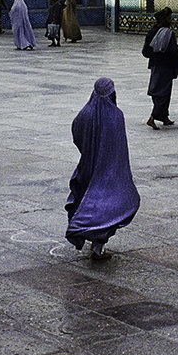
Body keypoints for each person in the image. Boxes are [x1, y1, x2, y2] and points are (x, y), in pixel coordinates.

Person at [65, 77, 140, 260]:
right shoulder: (116, 115)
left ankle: (87, 234)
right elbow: (119, 146)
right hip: (109, 169)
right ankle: (97, 245)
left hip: (87, 166)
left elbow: (76, 133)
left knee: (87, 200)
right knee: (107, 205)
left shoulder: (85, 113)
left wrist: (87, 150)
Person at [141, 8, 178, 129]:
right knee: (164, 92)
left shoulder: (152, 32)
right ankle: (153, 117)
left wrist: (155, 55)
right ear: (164, 19)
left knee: (156, 90)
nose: (171, 21)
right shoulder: (168, 33)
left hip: (155, 65)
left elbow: (145, 52)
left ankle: (164, 117)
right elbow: (173, 51)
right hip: (166, 66)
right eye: (169, 18)